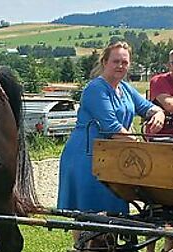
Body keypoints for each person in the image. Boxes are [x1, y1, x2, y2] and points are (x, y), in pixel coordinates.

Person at [57, 41, 165, 214]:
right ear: (105, 62)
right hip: (87, 156)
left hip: (113, 156)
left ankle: (107, 242)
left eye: (125, 62)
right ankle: (81, 242)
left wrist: (159, 113)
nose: (120, 66)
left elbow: (146, 107)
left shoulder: (125, 88)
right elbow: (112, 127)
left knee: (113, 211)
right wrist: (142, 147)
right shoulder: (95, 89)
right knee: (87, 213)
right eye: (116, 61)